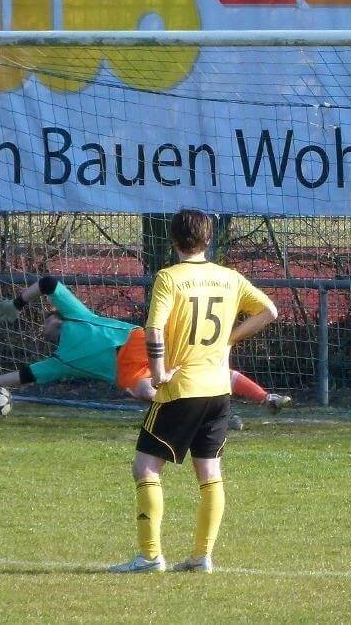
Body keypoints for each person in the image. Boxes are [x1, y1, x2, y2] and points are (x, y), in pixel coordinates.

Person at [108, 209, 278, 574]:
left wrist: (157, 373)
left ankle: (150, 557)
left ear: (173, 241)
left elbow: (153, 330)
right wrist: (228, 340)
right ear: (208, 240)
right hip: (218, 388)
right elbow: (269, 311)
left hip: (181, 387)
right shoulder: (229, 278)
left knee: (146, 468)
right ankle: (202, 557)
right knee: (209, 471)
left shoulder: (169, 278)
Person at [0, 278, 288, 415]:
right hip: (131, 373)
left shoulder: (76, 317)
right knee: (149, 391)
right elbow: (26, 375)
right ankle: (229, 406)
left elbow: (48, 283)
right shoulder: (61, 361)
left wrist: (18, 303)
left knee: (200, 368)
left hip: (137, 344)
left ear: (56, 318)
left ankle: (261, 395)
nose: (41, 328)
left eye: (44, 321)